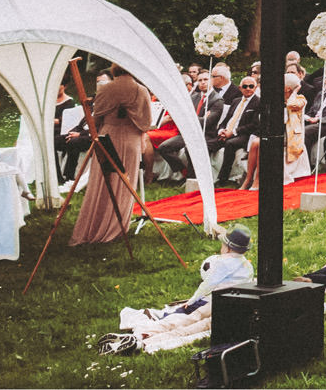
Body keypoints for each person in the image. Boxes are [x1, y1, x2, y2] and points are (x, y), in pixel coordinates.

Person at [101, 225, 254, 355]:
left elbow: (207, 285)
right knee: (195, 329)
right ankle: (143, 344)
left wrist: (192, 300)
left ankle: (141, 336)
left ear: (227, 247)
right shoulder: (248, 266)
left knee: (187, 322)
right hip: (232, 307)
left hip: (215, 303)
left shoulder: (223, 262)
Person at [70, 66, 152, 245]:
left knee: (102, 181)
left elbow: (96, 118)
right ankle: (118, 224)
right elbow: (146, 123)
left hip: (108, 138)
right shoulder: (141, 90)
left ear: (114, 70)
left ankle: (97, 221)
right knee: (125, 182)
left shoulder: (106, 89)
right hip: (131, 140)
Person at [212, 76, 260, 184]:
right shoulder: (236, 101)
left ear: (255, 88)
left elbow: (254, 125)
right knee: (209, 143)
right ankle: (204, 175)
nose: (248, 88)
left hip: (244, 134)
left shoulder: (258, 103)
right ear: (240, 88)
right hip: (227, 132)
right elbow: (226, 120)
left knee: (230, 144)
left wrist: (233, 132)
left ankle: (223, 179)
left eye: (251, 86)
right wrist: (221, 130)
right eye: (245, 86)